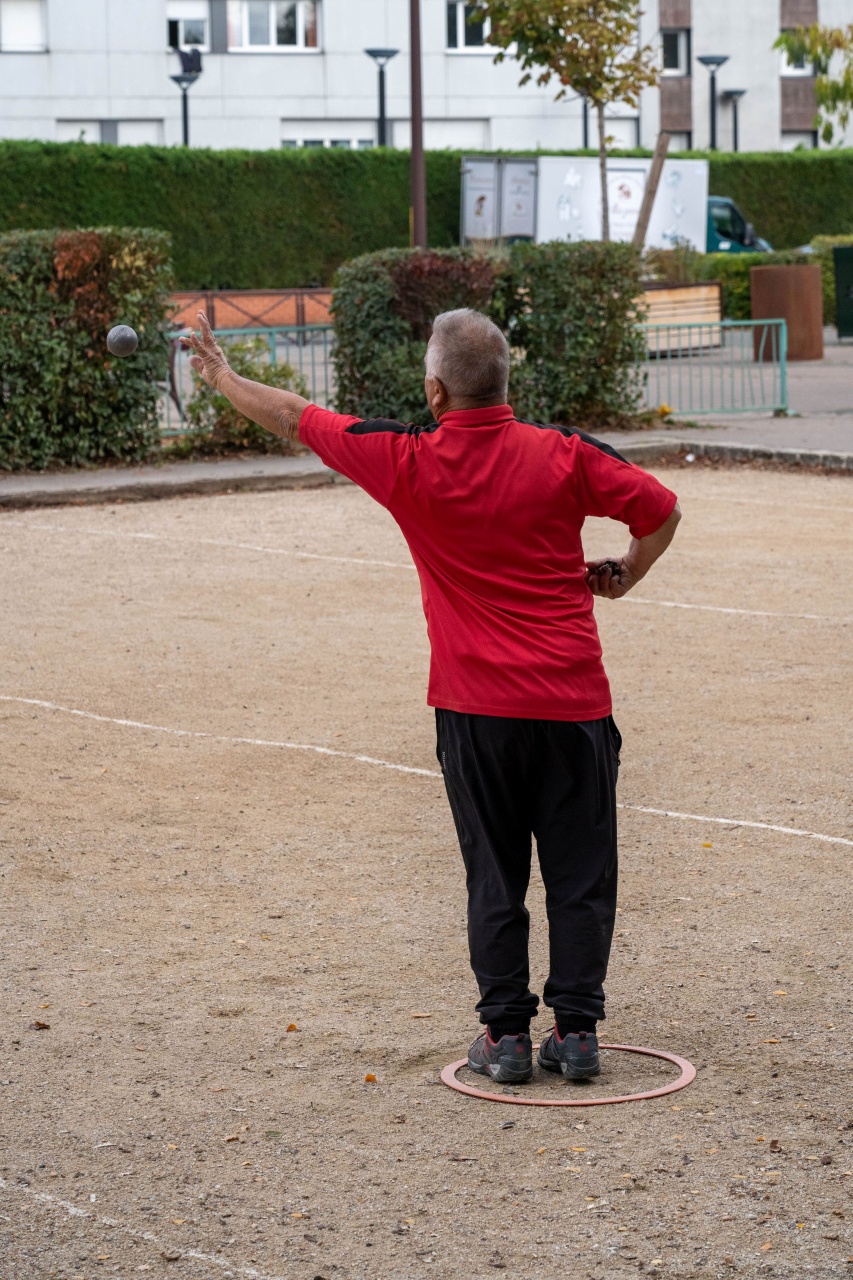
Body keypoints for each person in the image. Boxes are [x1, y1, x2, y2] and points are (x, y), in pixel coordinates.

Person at [184, 308, 681, 1085]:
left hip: (476, 713)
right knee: (581, 876)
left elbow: (291, 415)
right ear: (504, 382)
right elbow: (661, 510)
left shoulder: (406, 459)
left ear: (434, 389)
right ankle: (577, 1035)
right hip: (573, 706)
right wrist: (624, 571)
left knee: (495, 873)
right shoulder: (567, 455)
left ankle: (506, 1039)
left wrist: (219, 375)